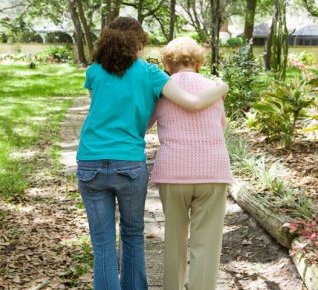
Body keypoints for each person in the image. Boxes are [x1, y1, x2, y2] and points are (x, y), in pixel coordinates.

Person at [76, 18, 229, 290]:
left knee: (102, 243)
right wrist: (221, 88)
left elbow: (104, 111)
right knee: (133, 235)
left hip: (90, 161)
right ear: (138, 43)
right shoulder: (150, 74)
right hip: (129, 164)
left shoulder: (94, 71)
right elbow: (194, 105)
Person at [148, 37, 232, 290]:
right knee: (206, 243)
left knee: (175, 239)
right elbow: (221, 127)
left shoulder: (162, 88)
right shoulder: (214, 88)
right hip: (213, 171)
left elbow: (145, 124)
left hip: (173, 172)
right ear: (198, 62)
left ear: (168, 63)